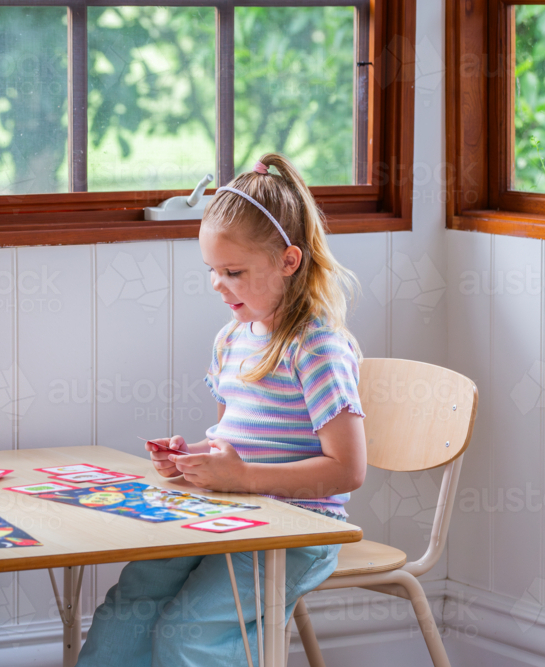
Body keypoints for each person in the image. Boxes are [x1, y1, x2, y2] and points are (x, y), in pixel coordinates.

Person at [75, 154, 367, 667]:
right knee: (127, 610)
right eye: (212, 270)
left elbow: (348, 471)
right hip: (229, 510)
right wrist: (193, 457)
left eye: (233, 271)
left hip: (296, 527)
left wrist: (240, 476)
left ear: (289, 261)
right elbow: (234, 442)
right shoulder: (232, 339)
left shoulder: (318, 348)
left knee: (187, 635)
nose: (217, 284)